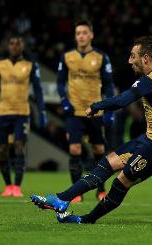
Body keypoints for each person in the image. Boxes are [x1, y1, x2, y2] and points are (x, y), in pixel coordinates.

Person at [31, 36, 152, 224]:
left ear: (145, 58)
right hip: (149, 139)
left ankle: (85, 220)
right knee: (106, 164)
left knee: (121, 182)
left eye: (133, 56)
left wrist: (96, 106)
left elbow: (121, 101)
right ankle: (61, 200)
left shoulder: (149, 80)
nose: (129, 61)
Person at [57, 19, 115, 202]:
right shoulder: (67, 56)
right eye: (78, 33)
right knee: (74, 149)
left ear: (91, 35)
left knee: (98, 149)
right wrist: (64, 101)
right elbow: (59, 82)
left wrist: (110, 110)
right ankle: (77, 193)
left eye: (84, 33)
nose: (81, 36)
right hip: (74, 112)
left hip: (94, 112)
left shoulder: (101, 57)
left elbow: (108, 86)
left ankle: (101, 190)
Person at [0, 35, 46, 197]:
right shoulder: (0, 65)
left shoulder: (30, 65)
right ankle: (8, 186)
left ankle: (17, 186)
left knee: (19, 145)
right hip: (3, 112)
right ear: (8, 46)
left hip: (22, 113)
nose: (14, 46)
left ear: (22, 46)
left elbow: (38, 89)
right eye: (11, 43)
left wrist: (42, 110)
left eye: (17, 43)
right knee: (3, 149)